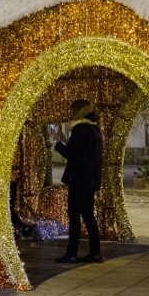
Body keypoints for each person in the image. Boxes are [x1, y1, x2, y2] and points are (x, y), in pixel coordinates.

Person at [53, 99, 103, 264]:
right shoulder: (94, 129)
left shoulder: (80, 129)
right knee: (88, 215)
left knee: (74, 215)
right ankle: (95, 252)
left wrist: (58, 144)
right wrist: (66, 140)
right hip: (90, 180)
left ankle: (72, 252)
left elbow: (71, 154)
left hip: (79, 179)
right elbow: (81, 150)